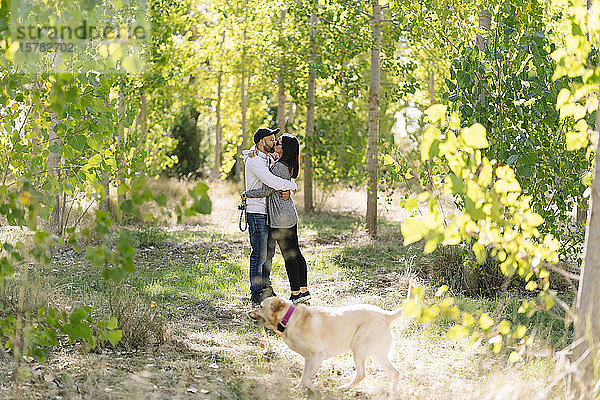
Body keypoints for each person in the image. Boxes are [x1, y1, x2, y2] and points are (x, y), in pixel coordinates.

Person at [242, 134, 311, 304]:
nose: (275, 144)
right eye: (273, 141)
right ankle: (304, 291)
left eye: (278, 143)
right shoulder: (285, 164)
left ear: (283, 148)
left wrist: (247, 194)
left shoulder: (279, 167)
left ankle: (295, 294)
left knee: (289, 255)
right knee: (296, 253)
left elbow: (267, 190)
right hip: (288, 214)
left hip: (280, 217)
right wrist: (251, 151)